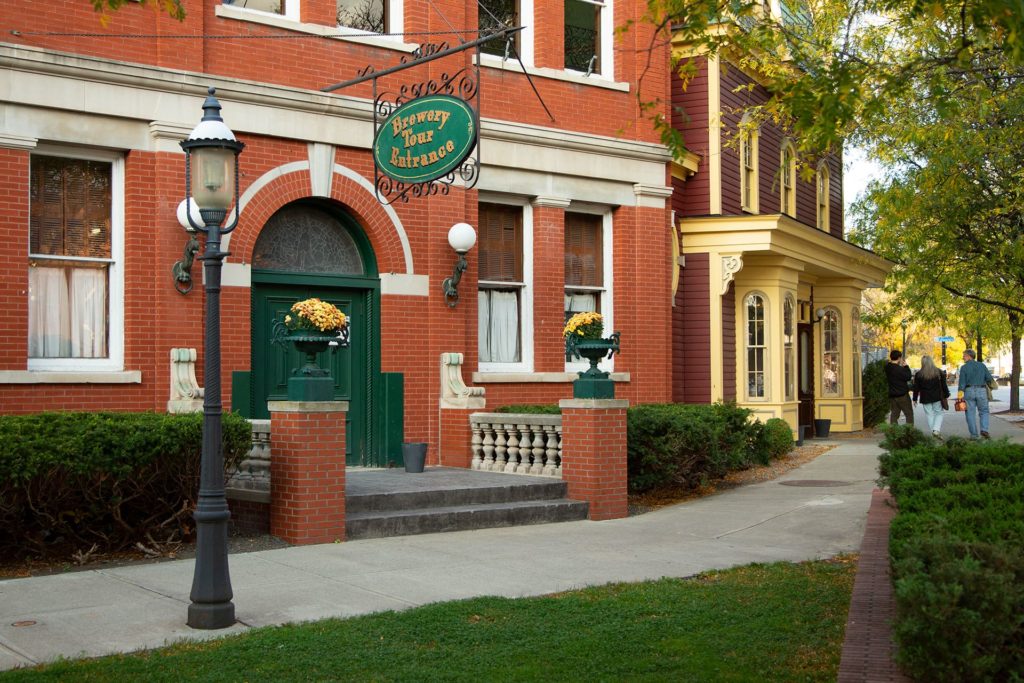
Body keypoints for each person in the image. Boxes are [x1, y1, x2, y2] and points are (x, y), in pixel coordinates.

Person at [957, 348, 995, 439]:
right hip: (981, 390)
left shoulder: (964, 367)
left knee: (970, 413)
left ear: (969, 356)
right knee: (984, 411)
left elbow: (962, 382)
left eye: (964, 355)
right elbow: (989, 378)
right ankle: (984, 429)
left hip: (969, 391)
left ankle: (974, 435)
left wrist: (960, 395)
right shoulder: (982, 365)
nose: (963, 357)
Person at [913, 355, 950, 439]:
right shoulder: (939, 372)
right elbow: (944, 385)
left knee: (929, 414)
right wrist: (946, 395)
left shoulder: (919, 374)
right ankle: (936, 430)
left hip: (925, 397)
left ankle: (934, 431)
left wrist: (914, 399)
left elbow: (916, 388)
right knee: (939, 413)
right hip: (937, 396)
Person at [884, 349, 914, 425]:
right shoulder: (900, 369)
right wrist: (906, 367)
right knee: (909, 414)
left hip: (893, 395)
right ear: (899, 358)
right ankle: (909, 431)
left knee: (894, 414)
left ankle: (894, 431)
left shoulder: (888, 368)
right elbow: (908, 377)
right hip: (902, 395)